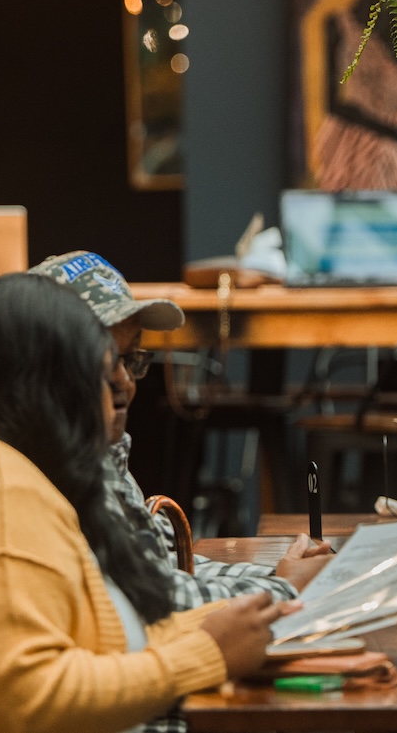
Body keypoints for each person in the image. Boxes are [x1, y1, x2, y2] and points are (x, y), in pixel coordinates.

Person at [0, 273, 294, 733]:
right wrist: (207, 653)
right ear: (52, 387)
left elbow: (97, 638)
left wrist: (238, 626)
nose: (121, 393)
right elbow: (34, 700)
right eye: (102, 379)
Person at [29, 251, 334, 610]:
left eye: (131, 359)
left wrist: (284, 577)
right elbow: (145, 600)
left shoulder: (98, 447)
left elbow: (172, 568)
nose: (125, 381)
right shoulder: (39, 470)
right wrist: (283, 588)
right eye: (105, 360)